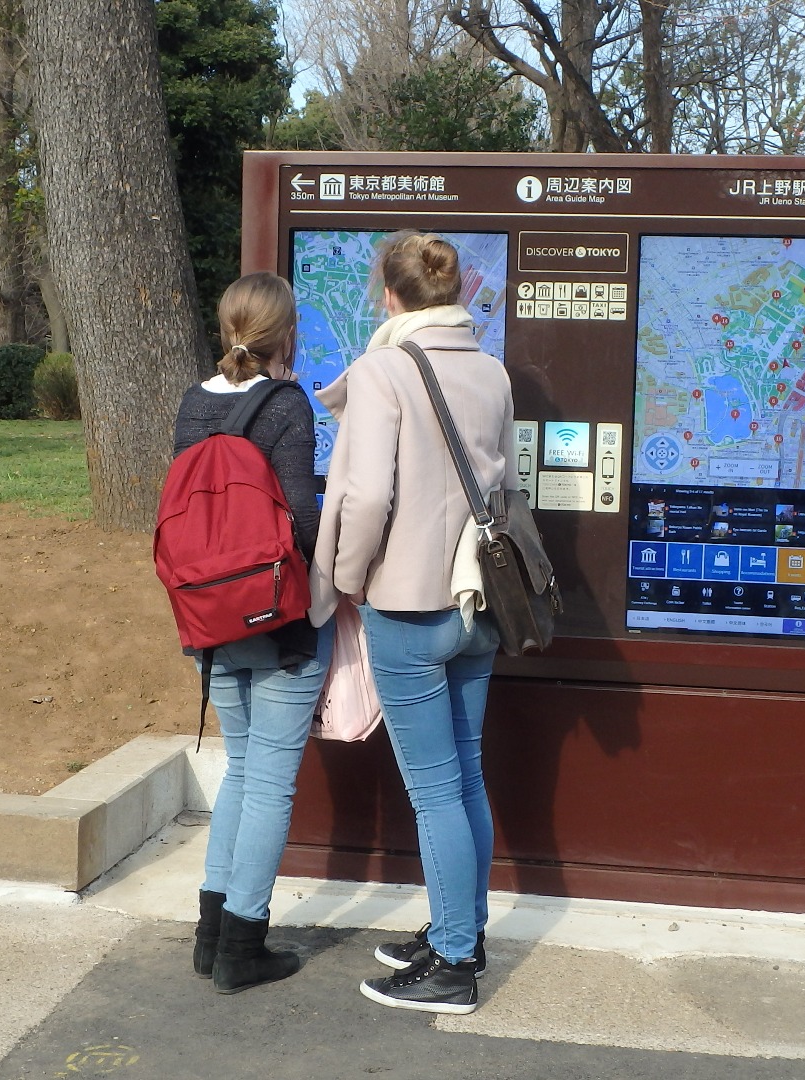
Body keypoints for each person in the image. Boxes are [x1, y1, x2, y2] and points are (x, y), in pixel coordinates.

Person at [312, 232, 516, 1015]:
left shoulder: (383, 370)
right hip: (480, 601)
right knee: (465, 777)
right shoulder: (492, 371)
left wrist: (347, 578)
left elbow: (365, 496)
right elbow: (506, 486)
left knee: (434, 793)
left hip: (406, 605)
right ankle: (461, 931)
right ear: (453, 292)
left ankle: (455, 965)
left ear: (390, 297)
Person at [173, 272, 331, 995]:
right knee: (269, 783)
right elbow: (300, 519)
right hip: (277, 623)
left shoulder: (193, 401)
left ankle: (210, 936)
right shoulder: (287, 404)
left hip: (209, 620)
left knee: (240, 771)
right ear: (286, 334)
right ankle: (242, 946)